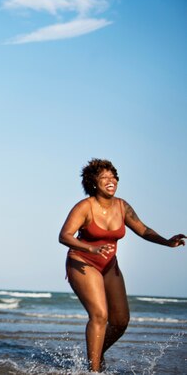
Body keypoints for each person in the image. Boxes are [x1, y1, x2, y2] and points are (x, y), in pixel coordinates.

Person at [58, 158, 185, 372]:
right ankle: (94, 370)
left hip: (109, 265)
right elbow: (64, 236)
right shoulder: (84, 207)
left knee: (120, 321)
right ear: (93, 183)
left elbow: (143, 230)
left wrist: (167, 241)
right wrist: (90, 249)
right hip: (82, 262)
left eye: (113, 176)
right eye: (104, 177)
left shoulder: (122, 206)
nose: (111, 180)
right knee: (99, 315)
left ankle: (96, 354)